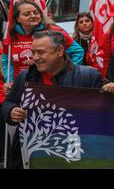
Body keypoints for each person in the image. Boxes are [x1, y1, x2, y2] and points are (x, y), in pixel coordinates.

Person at [1, 30, 102, 169]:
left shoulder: (88, 77)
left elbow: (104, 115)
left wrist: (113, 91)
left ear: (60, 51)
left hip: (74, 153)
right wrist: (11, 111)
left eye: (41, 52)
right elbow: (6, 103)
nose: (35, 57)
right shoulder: (25, 77)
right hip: (31, 156)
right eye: (33, 52)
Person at [2, 0, 84, 83]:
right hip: (22, 84)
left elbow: (78, 51)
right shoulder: (11, 35)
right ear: (18, 19)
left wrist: (69, 75)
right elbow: (6, 60)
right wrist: (9, 81)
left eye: (36, 12)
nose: (33, 16)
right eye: (27, 14)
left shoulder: (53, 31)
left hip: (51, 85)